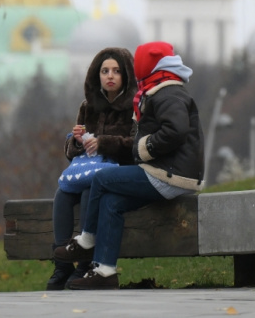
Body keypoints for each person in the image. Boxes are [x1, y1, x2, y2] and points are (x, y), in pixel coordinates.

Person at [54, 41, 204, 290]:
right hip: (164, 171)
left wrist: (144, 148)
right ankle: (104, 271)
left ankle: (87, 239)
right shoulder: (157, 90)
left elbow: (175, 131)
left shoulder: (168, 92)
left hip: (170, 173)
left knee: (101, 179)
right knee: (111, 203)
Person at [47, 47, 136, 291]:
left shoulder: (135, 106)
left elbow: (135, 145)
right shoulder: (88, 106)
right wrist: (76, 141)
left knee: (90, 193)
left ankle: (85, 264)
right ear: (96, 75)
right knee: (62, 194)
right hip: (89, 170)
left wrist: (104, 142)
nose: (110, 76)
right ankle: (62, 263)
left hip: (117, 173)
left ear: (126, 75)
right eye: (105, 71)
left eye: (117, 71)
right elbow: (72, 154)